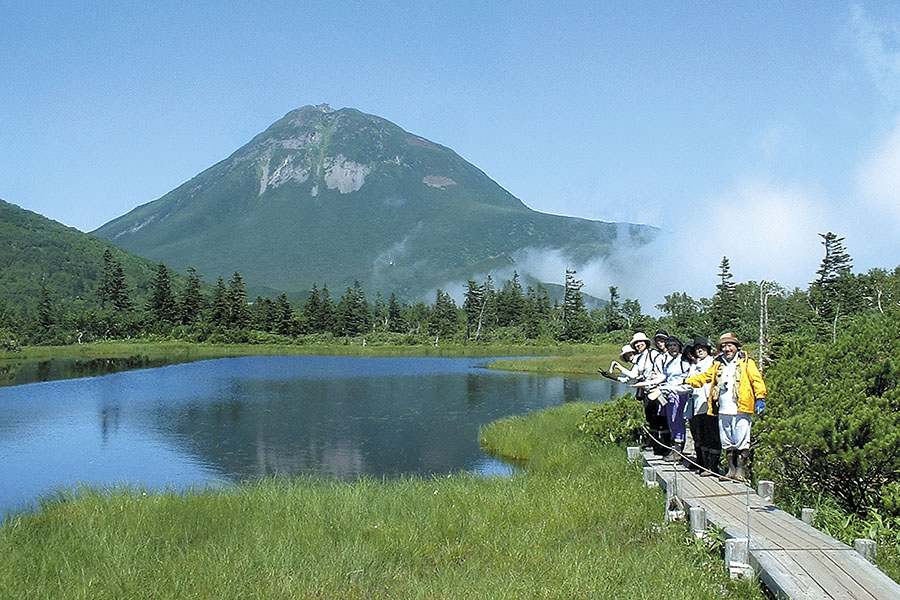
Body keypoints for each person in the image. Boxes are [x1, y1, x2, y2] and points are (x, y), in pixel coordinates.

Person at [686, 332, 766, 482]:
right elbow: (705, 377)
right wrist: (688, 381)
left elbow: (757, 380)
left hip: (741, 407)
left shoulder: (747, 362)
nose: (727, 349)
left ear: (736, 347)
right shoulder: (718, 363)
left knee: (741, 440)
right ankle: (731, 470)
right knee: (727, 440)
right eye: (724, 346)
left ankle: (741, 471)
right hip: (723, 408)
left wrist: (760, 397)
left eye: (730, 345)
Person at [623, 332, 670, 454]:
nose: (639, 345)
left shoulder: (653, 354)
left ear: (646, 342)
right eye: (636, 343)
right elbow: (634, 375)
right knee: (651, 417)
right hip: (646, 391)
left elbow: (661, 370)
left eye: (640, 342)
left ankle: (664, 446)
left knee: (660, 418)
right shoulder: (640, 357)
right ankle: (654, 444)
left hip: (656, 390)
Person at [685, 338, 720, 476]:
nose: (699, 350)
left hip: (710, 403)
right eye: (697, 349)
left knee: (713, 435)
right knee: (701, 435)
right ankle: (704, 465)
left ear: (707, 349)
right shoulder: (695, 365)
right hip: (697, 403)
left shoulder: (714, 362)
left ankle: (713, 467)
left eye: (702, 348)